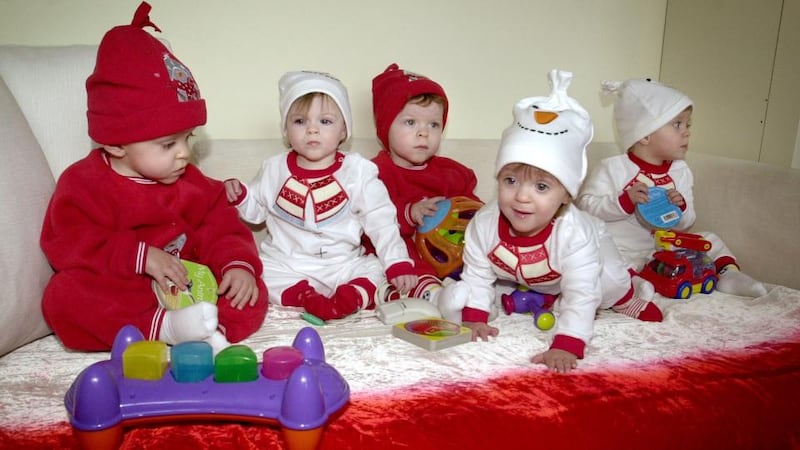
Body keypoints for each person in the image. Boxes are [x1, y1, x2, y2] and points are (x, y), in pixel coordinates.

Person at [40, 2, 268, 354]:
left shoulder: (190, 181)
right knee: (63, 297)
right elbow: (68, 242)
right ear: (116, 144)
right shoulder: (83, 184)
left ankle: (210, 328)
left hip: (191, 287)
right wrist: (141, 257)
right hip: (127, 290)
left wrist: (237, 265)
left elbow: (221, 225)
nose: (184, 153)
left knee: (249, 291)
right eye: (168, 144)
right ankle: (164, 329)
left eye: (188, 138)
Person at [436, 70, 663, 373]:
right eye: (511, 180)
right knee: (514, 282)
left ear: (566, 195)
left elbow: (581, 292)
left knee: (605, 283)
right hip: (537, 275)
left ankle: (626, 297)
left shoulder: (574, 233)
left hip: (593, 247)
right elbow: (477, 274)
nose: (522, 197)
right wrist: (475, 317)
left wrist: (568, 342)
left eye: (541, 187)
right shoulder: (484, 225)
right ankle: (545, 294)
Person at [224, 70, 417, 321]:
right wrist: (240, 195)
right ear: (285, 130)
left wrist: (397, 262)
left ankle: (352, 296)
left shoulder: (358, 172)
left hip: (343, 264)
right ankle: (305, 297)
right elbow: (257, 212)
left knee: (377, 268)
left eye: (325, 122)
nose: (312, 130)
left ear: (343, 131)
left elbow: (381, 220)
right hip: (287, 264)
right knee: (260, 271)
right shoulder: (273, 168)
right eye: (300, 121)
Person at [576, 78, 768, 298]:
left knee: (709, 239)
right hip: (622, 250)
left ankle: (728, 274)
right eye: (677, 124)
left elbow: (688, 221)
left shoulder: (680, 171)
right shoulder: (613, 168)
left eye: (688, 125)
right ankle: (633, 285)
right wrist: (624, 201)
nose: (686, 132)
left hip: (666, 250)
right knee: (598, 257)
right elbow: (585, 207)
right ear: (645, 135)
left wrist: (681, 207)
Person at [370, 63, 482, 302]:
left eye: (433, 124)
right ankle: (433, 294)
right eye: (410, 122)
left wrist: (476, 218)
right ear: (385, 126)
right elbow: (368, 220)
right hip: (405, 258)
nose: (424, 133)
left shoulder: (452, 172)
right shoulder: (374, 173)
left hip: (451, 254)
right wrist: (409, 213)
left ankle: (481, 291)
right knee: (395, 252)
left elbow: (473, 211)